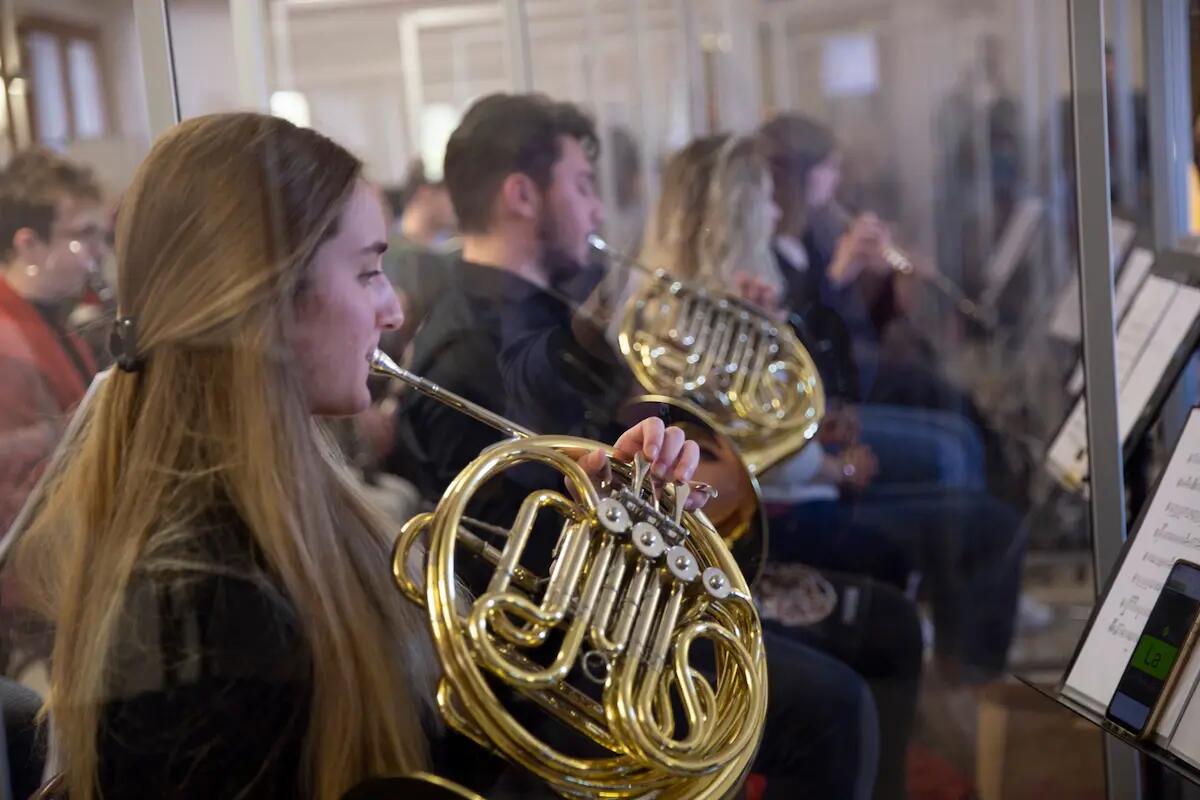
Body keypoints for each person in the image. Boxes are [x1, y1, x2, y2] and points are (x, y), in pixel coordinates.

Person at [8, 112, 710, 800]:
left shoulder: (296, 502)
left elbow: (427, 735)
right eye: (369, 273)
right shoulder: (203, 601)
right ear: (267, 300)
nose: (395, 313)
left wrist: (593, 561)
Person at [386, 91, 889, 800]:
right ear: (522, 195)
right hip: (581, 655)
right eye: (583, 186)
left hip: (632, 605)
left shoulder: (547, 315)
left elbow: (641, 427)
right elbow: (512, 552)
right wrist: (624, 493)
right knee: (838, 706)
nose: (598, 212)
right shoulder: (473, 346)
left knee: (852, 670)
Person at [0, 149, 107, 536]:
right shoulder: (6, 340)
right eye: (82, 234)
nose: (97, 252)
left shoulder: (52, 320)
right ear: (28, 245)